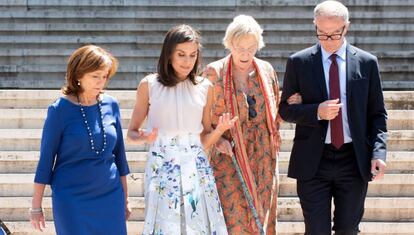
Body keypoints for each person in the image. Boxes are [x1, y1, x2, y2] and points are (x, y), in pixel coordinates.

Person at [279, 1, 388, 234]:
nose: (328, 40)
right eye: (322, 34)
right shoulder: (298, 62)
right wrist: (316, 111)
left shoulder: (367, 63)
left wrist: (378, 153)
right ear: (314, 26)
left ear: (346, 27)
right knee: (316, 230)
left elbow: (377, 114)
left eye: (335, 34)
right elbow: (285, 110)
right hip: (313, 162)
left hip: (353, 159)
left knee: (348, 229)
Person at [127, 24, 233, 235]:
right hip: (162, 164)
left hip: (197, 166)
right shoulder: (149, 85)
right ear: (168, 54)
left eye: (193, 55)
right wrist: (145, 138)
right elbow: (131, 133)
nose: (187, 61)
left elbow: (203, 140)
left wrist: (219, 130)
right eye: (181, 54)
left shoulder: (205, 87)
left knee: (199, 225)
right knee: (164, 227)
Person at [203, 15, 301, 234]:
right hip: (229, 155)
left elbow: (273, 113)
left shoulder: (266, 70)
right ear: (229, 44)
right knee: (233, 218)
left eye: (251, 47)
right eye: (240, 48)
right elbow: (201, 118)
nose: (246, 54)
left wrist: (290, 104)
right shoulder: (214, 73)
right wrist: (217, 139)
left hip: (263, 156)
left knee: (263, 216)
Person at [30, 45, 131, 235]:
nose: (101, 82)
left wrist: (125, 199)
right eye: (95, 76)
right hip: (71, 199)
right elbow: (45, 160)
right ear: (78, 75)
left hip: (110, 195)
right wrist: (36, 206)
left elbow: (120, 157)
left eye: (105, 76)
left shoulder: (112, 104)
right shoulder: (59, 110)